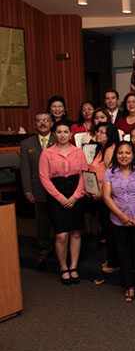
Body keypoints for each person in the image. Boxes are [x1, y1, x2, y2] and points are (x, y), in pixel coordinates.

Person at [102, 142, 135, 303]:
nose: (124, 156)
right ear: (115, 155)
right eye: (120, 153)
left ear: (133, 155)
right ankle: (129, 286)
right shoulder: (110, 172)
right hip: (119, 221)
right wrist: (121, 216)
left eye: (127, 153)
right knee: (124, 254)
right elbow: (106, 196)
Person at [39, 120, 88, 285]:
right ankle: (63, 267)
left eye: (65, 132)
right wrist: (60, 198)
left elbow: (84, 175)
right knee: (61, 235)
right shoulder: (47, 153)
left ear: (71, 134)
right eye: (59, 132)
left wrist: (75, 196)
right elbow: (44, 178)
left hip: (76, 194)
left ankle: (73, 266)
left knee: (75, 232)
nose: (62, 135)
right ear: (54, 134)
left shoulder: (78, 152)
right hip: (56, 195)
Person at [20, 112, 56, 266]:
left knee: (59, 220)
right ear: (34, 124)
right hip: (38, 188)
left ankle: (61, 247)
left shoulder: (59, 139)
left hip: (58, 189)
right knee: (42, 221)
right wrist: (28, 190)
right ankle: (44, 248)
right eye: (39, 121)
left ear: (51, 123)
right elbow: (25, 169)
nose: (42, 123)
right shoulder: (26, 144)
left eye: (45, 120)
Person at [89, 122, 120, 274]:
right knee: (108, 229)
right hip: (100, 194)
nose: (98, 134)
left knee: (110, 230)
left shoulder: (110, 149)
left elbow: (111, 175)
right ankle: (112, 259)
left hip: (107, 196)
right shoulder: (102, 149)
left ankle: (114, 262)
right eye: (98, 131)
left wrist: (101, 194)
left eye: (102, 132)